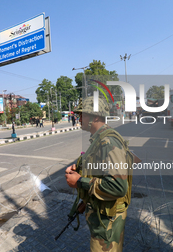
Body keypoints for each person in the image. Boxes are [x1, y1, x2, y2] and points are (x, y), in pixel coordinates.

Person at [65, 97, 134, 252]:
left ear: (95, 117)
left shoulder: (108, 141)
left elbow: (118, 186)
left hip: (107, 223)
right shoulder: (99, 139)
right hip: (102, 215)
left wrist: (79, 181)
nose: (79, 118)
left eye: (82, 114)